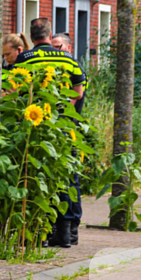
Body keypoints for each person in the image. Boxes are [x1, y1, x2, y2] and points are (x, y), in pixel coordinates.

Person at [14, 18, 86, 248]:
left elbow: (12, 88)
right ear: (49, 34)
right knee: (63, 175)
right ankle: (65, 233)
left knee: (32, 175)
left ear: (32, 37)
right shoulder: (67, 59)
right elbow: (79, 89)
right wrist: (66, 110)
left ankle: (36, 233)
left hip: (32, 127)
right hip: (61, 127)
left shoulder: (24, 58)